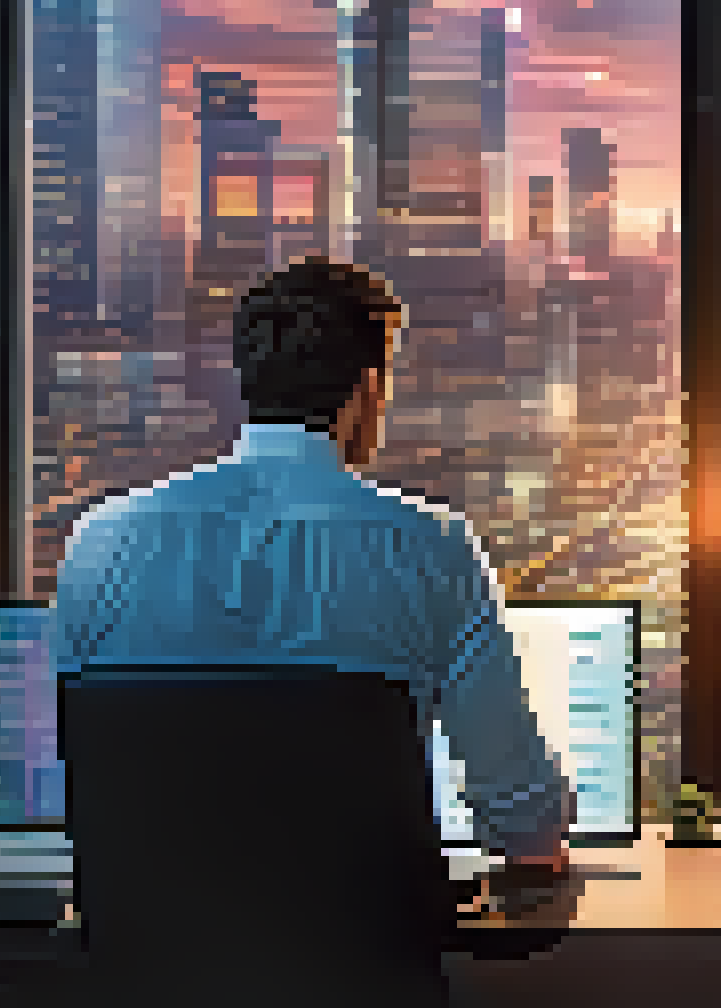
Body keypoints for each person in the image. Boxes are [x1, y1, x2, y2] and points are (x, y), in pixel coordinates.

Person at [54, 256, 572, 880]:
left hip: (154, 957)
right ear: (367, 391)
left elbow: (80, 768)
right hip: (373, 960)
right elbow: (524, 818)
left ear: (248, 381)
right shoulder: (427, 547)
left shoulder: (101, 542)